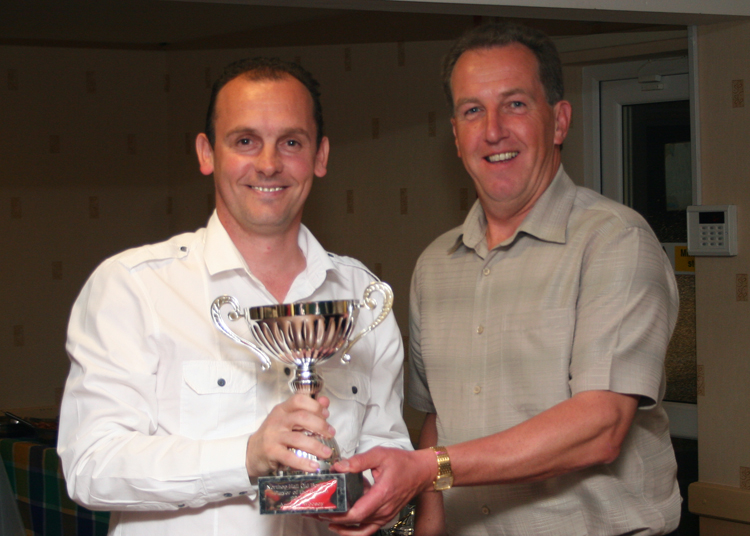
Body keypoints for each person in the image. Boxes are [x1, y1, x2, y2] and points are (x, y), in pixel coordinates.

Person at [325, 22, 681, 536]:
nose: (493, 131)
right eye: (473, 110)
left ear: (559, 121)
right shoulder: (434, 266)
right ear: (456, 136)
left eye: (515, 104)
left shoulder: (615, 243)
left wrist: (430, 468)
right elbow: (437, 420)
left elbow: (601, 427)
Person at [57, 57, 412, 536]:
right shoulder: (134, 287)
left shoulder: (361, 297)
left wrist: (379, 494)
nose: (268, 163)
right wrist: (246, 457)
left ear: (321, 156)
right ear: (207, 154)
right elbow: (90, 465)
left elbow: (387, 447)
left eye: (291, 142)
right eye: (245, 141)